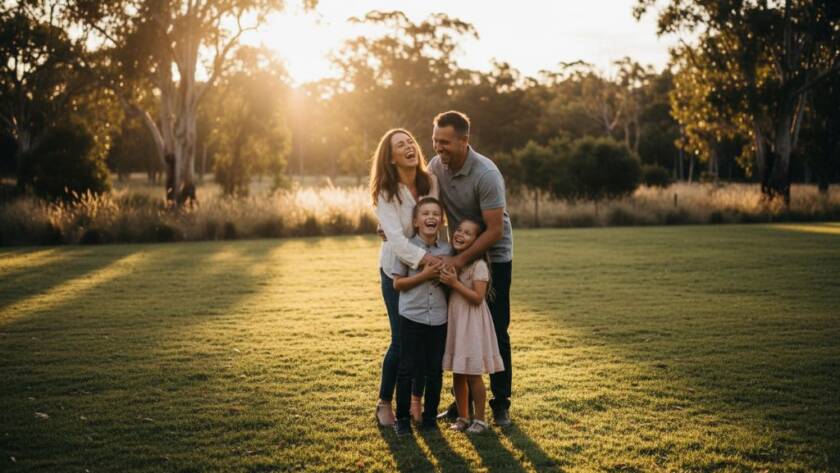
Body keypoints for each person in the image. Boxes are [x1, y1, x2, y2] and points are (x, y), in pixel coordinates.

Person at [428, 111, 515, 426]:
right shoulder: (436, 166)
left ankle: (500, 402)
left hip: (494, 257)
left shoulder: (486, 174)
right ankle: (461, 406)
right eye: (436, 140)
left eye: (446, 142)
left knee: (496, 327)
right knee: (458, 328)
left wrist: (459, 261)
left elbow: (494, 231)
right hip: (457, 254)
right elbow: (426, 208)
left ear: (465, 141)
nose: (439, 148)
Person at [369, 128, 441, 427]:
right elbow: (396, 241)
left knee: (424, 341)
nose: (409, 146)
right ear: (391, 157)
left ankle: (416, 401)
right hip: (397, 269)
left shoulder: (430, 181)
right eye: (401, 145)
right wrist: (427, 260)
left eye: (410, 141)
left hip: (429, 270)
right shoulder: (386, 192)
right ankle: (384, 401)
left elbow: (434, 219)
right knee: (401, 341)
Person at [390, 197, 452, 436]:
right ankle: (403, 419)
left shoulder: (447, 250)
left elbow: (451, 280)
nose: (431, 217)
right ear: (416, 221)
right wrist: (424, 275)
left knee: (434, 370)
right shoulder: (406, 248)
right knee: (406, 369)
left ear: (442, 220)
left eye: (436, 214)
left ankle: (429, 419)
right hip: (412, 318)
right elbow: (397, 284)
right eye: (425, 213)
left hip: (438, 318)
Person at [439, 219, 505, 433]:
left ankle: (480, 419)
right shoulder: (455, 264)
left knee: (473, 374)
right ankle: (462, 417)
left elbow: (478, 298)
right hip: (457, 324)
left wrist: (454, 283)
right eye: (458, 230)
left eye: (468, 233)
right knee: (458, 373)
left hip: (472, 326)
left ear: (478, 242)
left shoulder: (479, 266)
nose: (460, 234)